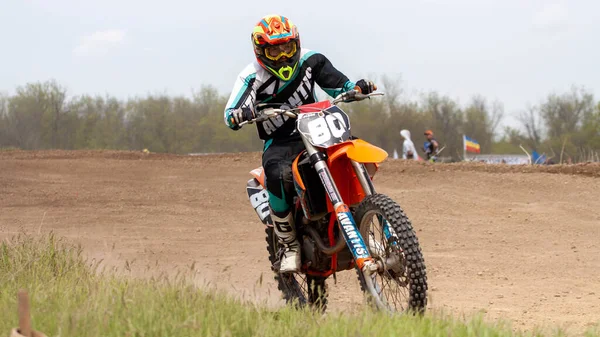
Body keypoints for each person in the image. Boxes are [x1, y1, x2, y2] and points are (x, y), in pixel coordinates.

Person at [224, 14, 376, 273]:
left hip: (319, 127)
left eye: (287, 47)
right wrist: (239, 114)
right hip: (281, 140)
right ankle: (289, 243)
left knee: (351, 153)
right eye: (274, 49)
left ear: (295, 43)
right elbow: (231, 112)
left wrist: (356, 88)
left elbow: (339, 85)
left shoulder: (311, 60)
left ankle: (369, 222)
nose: (283, 55)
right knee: (276, 173)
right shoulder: (251, 75)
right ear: (261, 51)